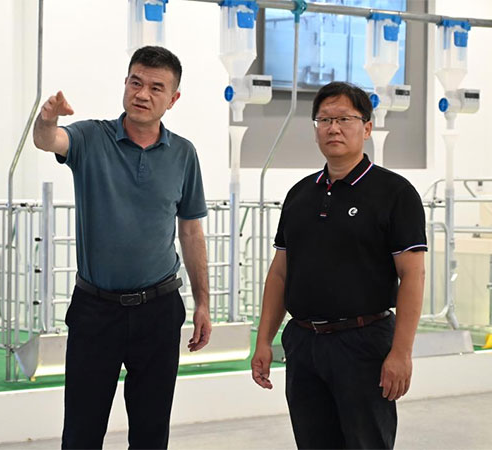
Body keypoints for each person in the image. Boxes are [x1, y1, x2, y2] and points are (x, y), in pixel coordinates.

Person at [33, 46, 212, 450]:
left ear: (173, 99)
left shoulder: (184, 154)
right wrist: (47, 118)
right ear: (125, 83)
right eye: (136, 82)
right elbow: (48, 140)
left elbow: (191, 232)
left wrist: (203, 302)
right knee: (81, 431)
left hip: (159, 309)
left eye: (156, 87)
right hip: (95, 310)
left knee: (151, 432)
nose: (142, 94)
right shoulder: (90, 137)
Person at [251, 81, 427, 449]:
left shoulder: (395, 193)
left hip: (363, 344)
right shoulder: (299, 195)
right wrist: (264, 341)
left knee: (366, 443)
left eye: (345, 119)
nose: (333, 128)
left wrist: (401, 352)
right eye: (325, 119)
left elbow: (412, 274)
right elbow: (280, 273)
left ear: (367, 127)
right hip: (304, 343)